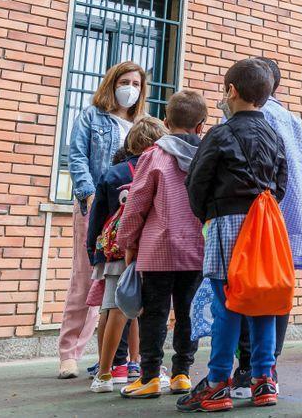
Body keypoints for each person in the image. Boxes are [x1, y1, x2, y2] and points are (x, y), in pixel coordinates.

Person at [178, 58, 288, 412]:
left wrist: (206, 214)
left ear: (232, 91)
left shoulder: (220, 133)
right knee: (263, 303)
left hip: (227, 224)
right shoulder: (275, 133)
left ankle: (216, 383)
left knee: (225, 303)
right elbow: (282, 182)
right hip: (267, 224)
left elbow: (196, 182)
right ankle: (263, 381)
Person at [226, 57, 302, 398]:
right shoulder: (293, 119)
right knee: (277, 291)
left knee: (246, 290)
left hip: (255, 218)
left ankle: (247, 370)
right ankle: (269, 368)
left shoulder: (248, 118)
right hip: (290, 220)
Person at [58, 61, 149, 379]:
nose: (131, 89)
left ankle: (115, 360)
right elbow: (77, 155)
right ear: (112, 83)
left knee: (124, 286)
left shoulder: (142, 122)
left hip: (129, 215)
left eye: (137, 84)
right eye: (126, 82)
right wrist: (88, 194)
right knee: (86, 281)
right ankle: (69, 353)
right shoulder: (91, 116)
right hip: (95, 210)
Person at [117, 90, 210, 398]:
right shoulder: (208, 155)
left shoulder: (154, 155)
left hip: (158, 248)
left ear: (167, 122)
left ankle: (150, 377)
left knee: (154, 313)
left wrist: (127, 241)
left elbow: (138, 203)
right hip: (196, 249)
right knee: (188, 312)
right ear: (200, 126)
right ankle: (182, 373)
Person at [88, 116, 167, 393]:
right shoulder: (159, 168)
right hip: (147, 250)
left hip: (114, 252)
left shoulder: (113, 174)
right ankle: (133, 365)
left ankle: (105, 371)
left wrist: (93, 252)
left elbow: (97, 216)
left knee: (112, 310)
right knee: (136, 311)